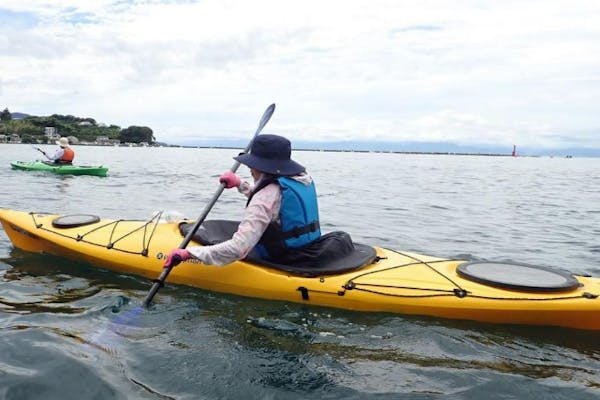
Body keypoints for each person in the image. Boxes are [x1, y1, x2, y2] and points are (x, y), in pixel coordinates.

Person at [163, 134, 321, 268]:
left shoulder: (265, 196)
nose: (250, 168)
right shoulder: (301, 179)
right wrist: (240, 184)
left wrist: (189, 253)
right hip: (306, 248)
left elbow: (239, 248)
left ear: (262, 166)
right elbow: (274, 204)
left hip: (283, 257)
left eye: (252, 164)